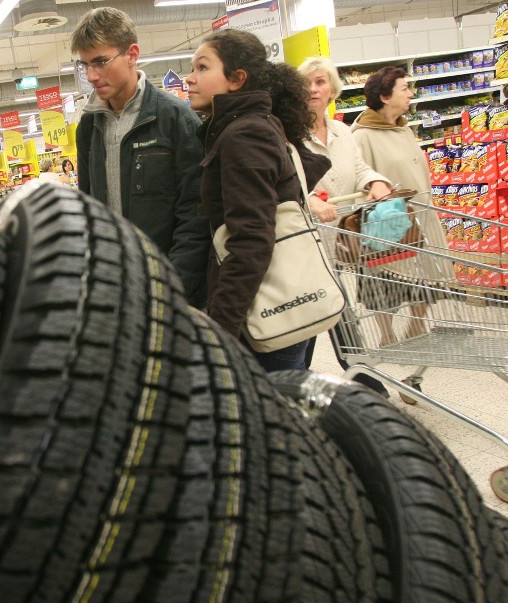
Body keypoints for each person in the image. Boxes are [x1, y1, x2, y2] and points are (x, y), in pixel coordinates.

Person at [184, 29, 331, 372]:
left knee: (267, 415)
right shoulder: (253, 125)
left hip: (266, 312)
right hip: (282, 304)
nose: (190, 79)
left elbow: (251, 239)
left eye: (202, 68)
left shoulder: (243, 135)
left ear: (237, 79)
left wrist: (221, 329)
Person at [71, 7, 210, 308]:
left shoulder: (175, 119)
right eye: (84, 65)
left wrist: (174, 290)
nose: (92, 75)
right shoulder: (88, 126)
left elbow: (196, 214)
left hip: (170, 289)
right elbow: (89, 204)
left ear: (132, 54)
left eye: (100, 62)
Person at [298, 56, 393, 396]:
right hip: (305, 242)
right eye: (307, 82)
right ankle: (359, 378)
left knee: (332, 306)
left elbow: (359, 168)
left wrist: (376, 182)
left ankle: (349, 376)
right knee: (317, 310)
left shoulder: (342, 131)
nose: (313, 88)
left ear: (332, 89)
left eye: (321, 81)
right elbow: (286, 183)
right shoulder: (288, 135)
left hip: (339, 239)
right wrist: (310, 200)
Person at [350, 66, 451, 347]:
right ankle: (386, 333)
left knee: (428, 277)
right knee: (384, 284)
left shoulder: (404, 128)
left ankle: (416, 327)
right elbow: (359, 180)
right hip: (388, 223)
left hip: (420, 216)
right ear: (384, 96)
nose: (410, 94)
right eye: (404, 89)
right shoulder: (362, 135)